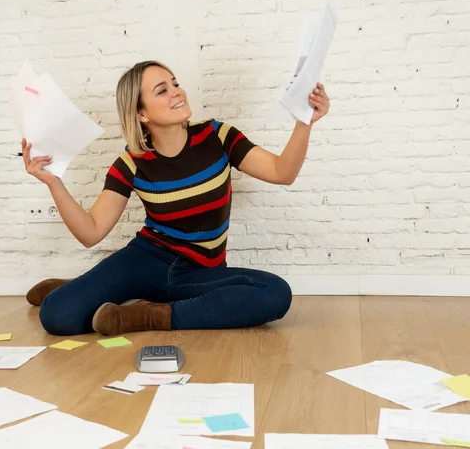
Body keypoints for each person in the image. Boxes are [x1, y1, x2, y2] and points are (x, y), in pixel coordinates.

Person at [22, 60, 330, 336]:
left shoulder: (218, 137)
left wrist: (305, 121)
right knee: (57, 315)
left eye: (175, 84)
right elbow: (91, 232)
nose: (176, 92)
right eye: (162, 90)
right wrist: (53, 182)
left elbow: (282, 172)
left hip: (201, 271)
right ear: (140, 113)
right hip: (146, 260)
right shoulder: (131, 162)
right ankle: (75, 290)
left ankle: (147, 314)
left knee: (275, 293)